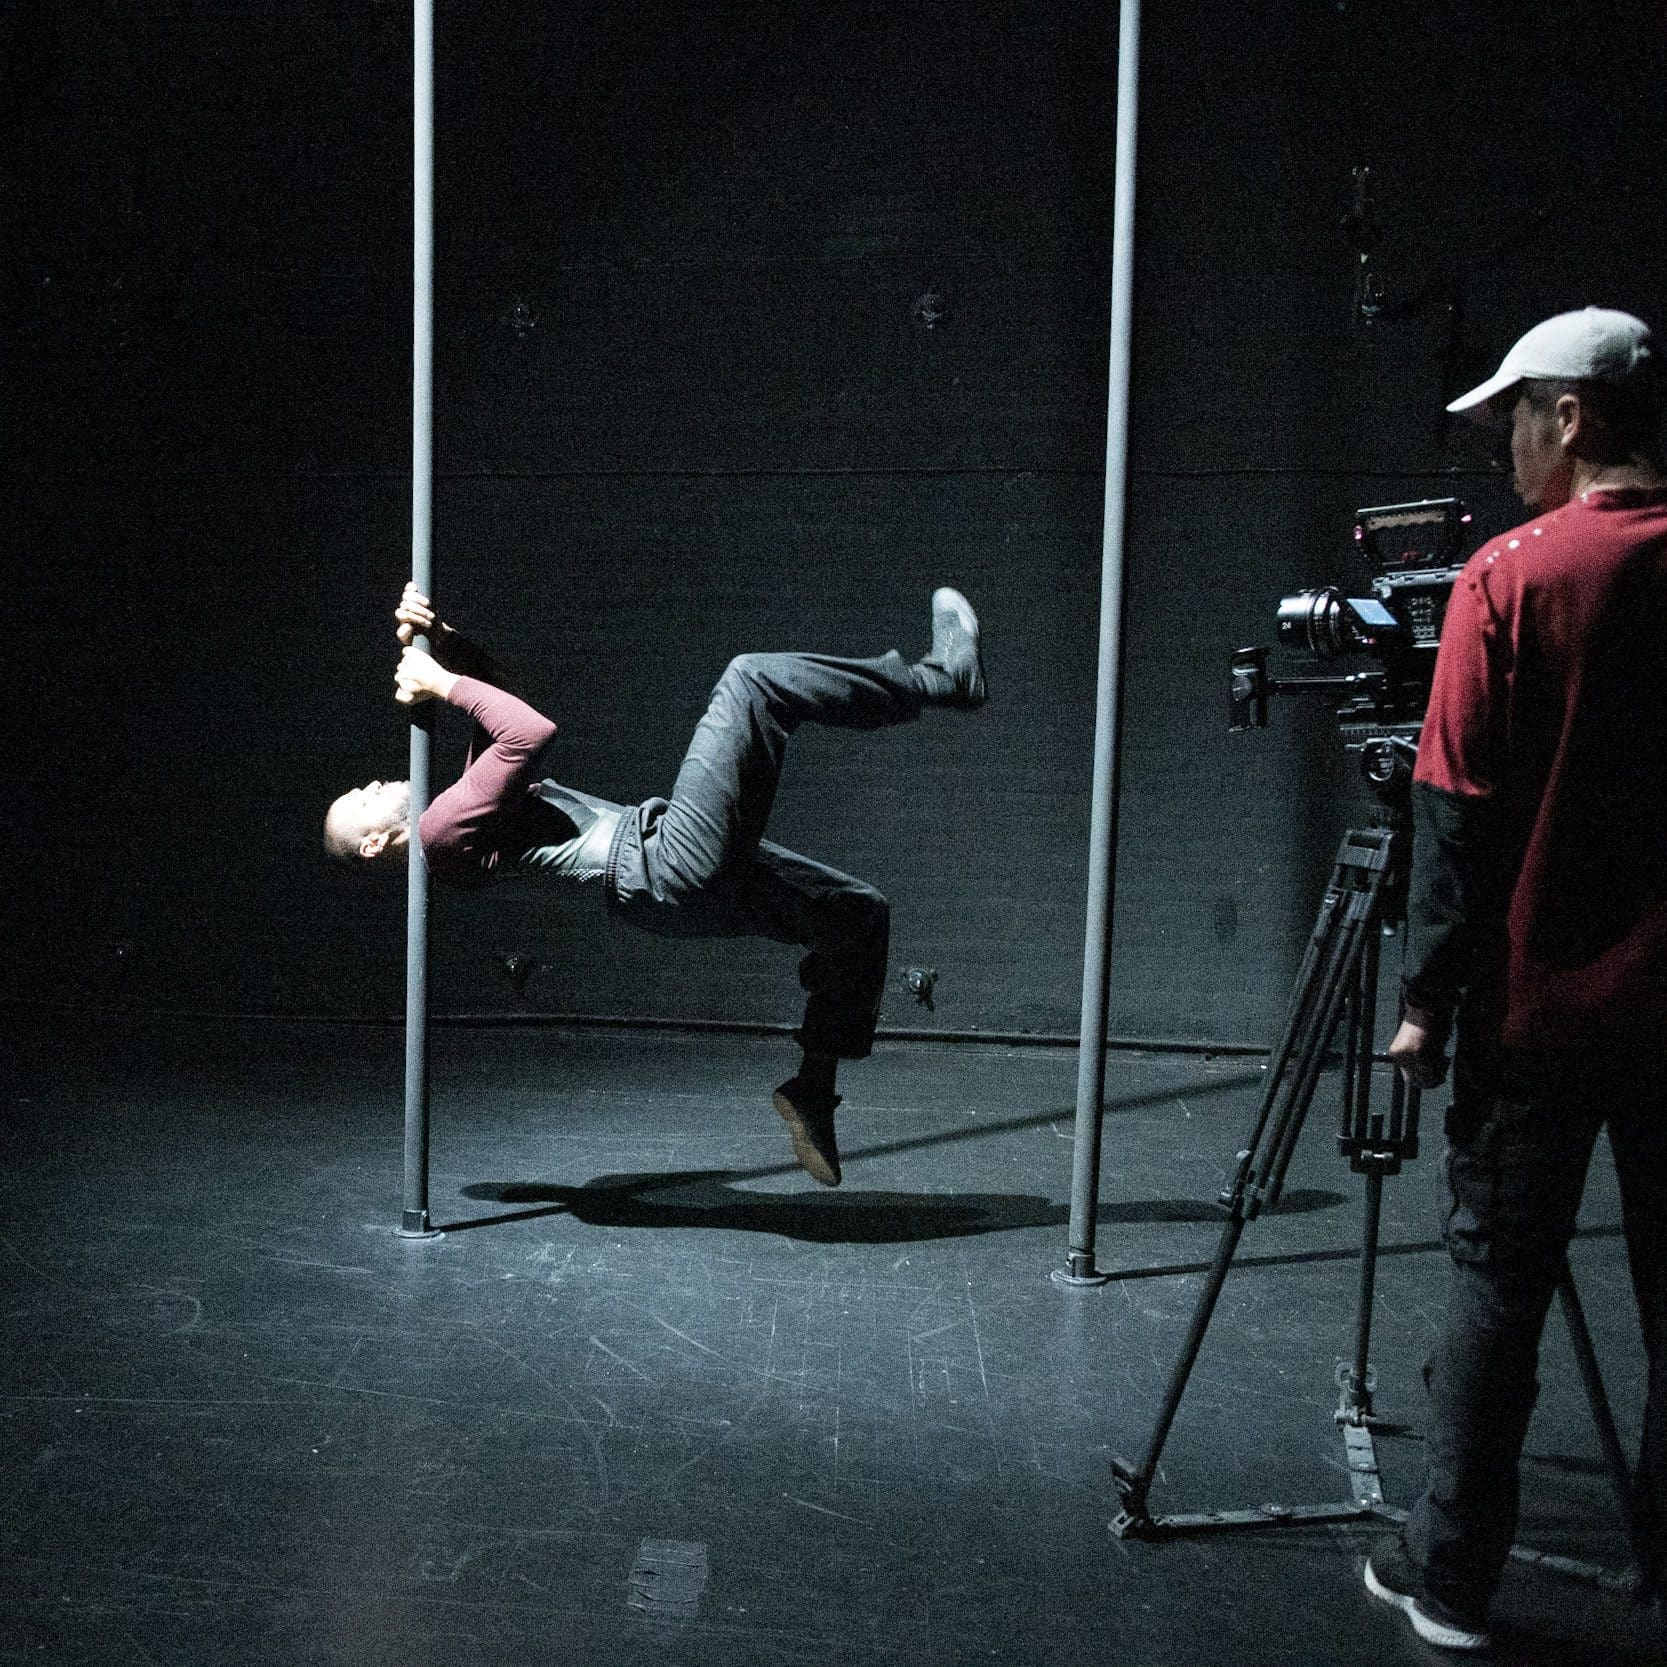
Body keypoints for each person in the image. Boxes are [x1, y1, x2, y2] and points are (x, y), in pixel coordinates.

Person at [1364, 307, 1667, 1651]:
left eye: (1515, 415)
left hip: (1533, 1009)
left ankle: (1448, 1575)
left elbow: (1452, 811)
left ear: (1577, 415)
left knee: (1495, 1284)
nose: (1501, 443)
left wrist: (1422, 1000)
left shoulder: (1508, 578)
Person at [325, 585, 987, 1188]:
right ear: (376, 843)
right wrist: (439, 683)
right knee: (750, 681)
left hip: (668, 885)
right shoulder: (440, 833)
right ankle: (938, 680)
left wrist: (445, 642)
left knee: (854, 914)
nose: (373, 783)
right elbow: (527, 730)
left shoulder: (457, 817)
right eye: (360, 800)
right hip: (661, 864)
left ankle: (813, 1089)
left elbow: (494, 698)